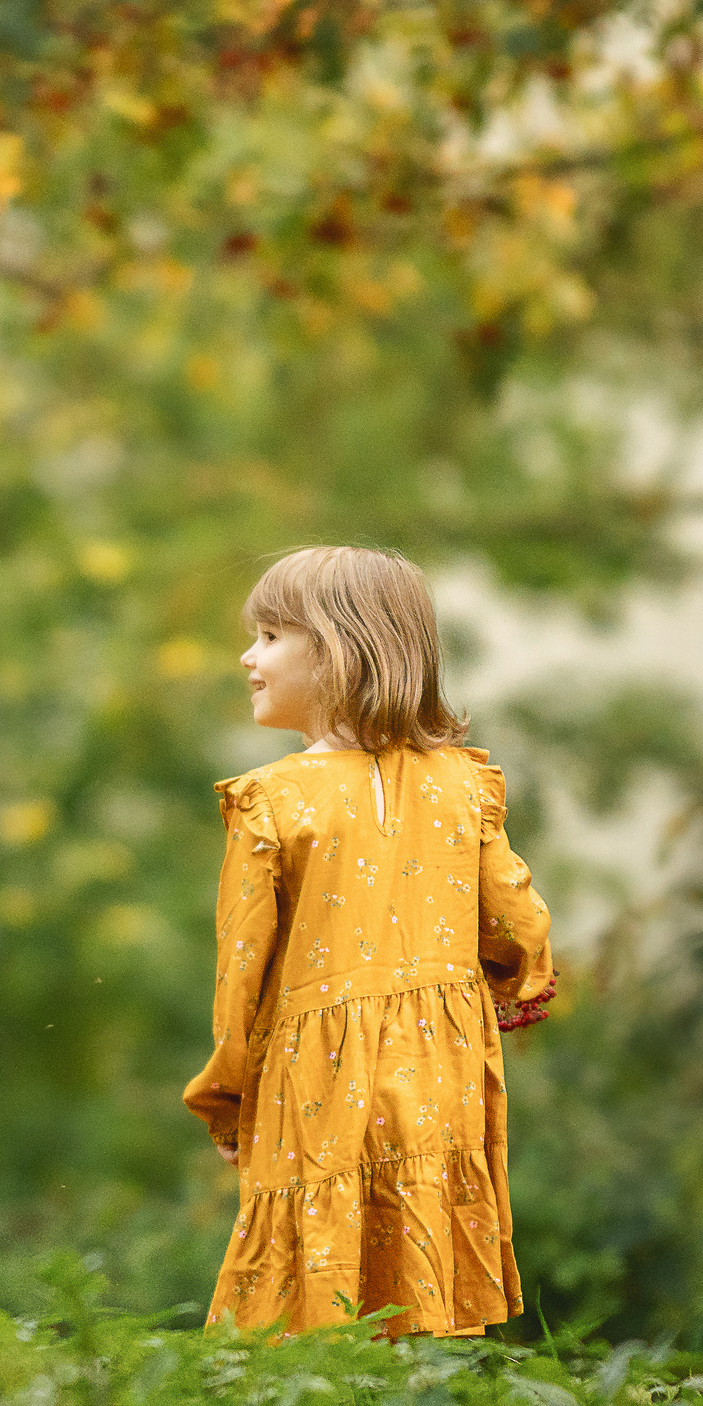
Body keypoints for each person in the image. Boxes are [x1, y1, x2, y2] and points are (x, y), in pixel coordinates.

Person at [183, 545, 555, 1339]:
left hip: (316, 1079)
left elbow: (241, 972)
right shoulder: (463, 784)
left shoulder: (273, 803)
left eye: (272, 636)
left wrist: (227, 1096)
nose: (249, 657)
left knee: (304, 1303)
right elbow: (515, 921)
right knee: (414, 1270)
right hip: (437, 1070)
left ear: (338, 648)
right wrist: (502, 985)